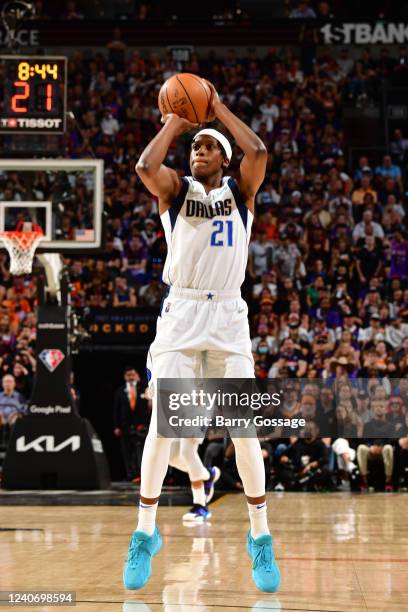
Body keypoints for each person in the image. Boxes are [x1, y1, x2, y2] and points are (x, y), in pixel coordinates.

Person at [123, 80, 280, 593]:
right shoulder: (176, 191)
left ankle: (260, 539)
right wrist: (177, 119)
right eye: (196, 146)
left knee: (244, 432)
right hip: (182, 314)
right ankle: (145, 534)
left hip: (229, 319)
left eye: (209, 146)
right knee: (163, 428)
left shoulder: (241, 192)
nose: (199, 151)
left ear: (224, 159)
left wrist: (216, 110)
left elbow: (257, 150)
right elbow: (146, 168)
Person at [113, 367, 151, 482]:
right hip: (125, 427)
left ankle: (142, 474)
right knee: (127, 452)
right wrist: (116, 426)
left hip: (141, 426)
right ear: (125, 377)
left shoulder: (144, 389)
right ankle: (131, 475)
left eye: (133, 374)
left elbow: (148, 408)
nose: (131, 377)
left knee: (141, 451)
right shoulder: (120, 391)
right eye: (128, 375)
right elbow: (116, 409)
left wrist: (144, 424)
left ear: (137, 375)